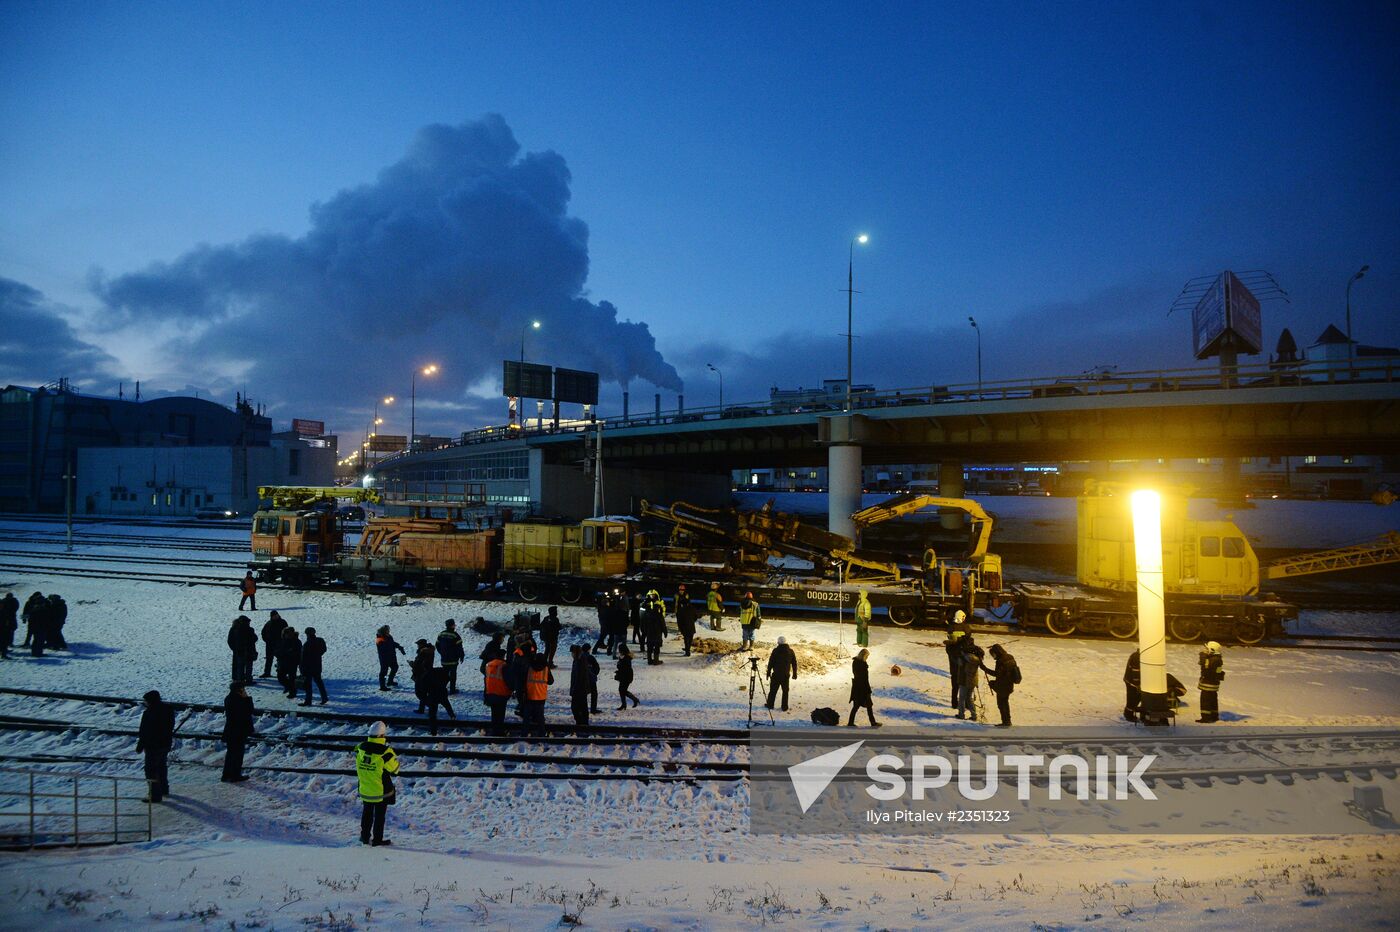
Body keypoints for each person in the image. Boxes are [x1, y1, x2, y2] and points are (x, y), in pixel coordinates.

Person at [355, 721, 399, 847]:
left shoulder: (360, 748)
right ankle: (377, 840)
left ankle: (364, 837)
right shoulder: (385, 752)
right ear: (382, 736)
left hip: (365, 789)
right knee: (379, 817)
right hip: (380, 792)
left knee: (366, 813)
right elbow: (395, 770)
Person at [136, 690, 176, 802]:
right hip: (165, 743)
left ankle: (155, 795)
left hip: (152, 746)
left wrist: (140, 746)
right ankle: (164, 789)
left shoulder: (149, 713)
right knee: (162, 766)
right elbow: (170, 725)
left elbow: (144, 732)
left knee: (151, 770)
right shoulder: (168, 709)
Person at [979, 644, 1020, 727]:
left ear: (997, 652)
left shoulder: (1001, 661)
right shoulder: (1010, 657)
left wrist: (985, 668)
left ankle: (1006, 722)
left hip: (1002, 686)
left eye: (993, 654)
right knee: (1005, 703)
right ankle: (1007, 721)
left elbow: (997, 674)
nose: (993, 656)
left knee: (1001, 704)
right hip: (1009, 684)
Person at [221, 682, 255, 782]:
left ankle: (226, 774)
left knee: (231, 754)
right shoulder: (240, 700)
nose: (245, 690)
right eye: (243, 689)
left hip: (231, 731)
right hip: (238, 731)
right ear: (239, 690)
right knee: (237, 754)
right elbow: (249, 711)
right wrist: (247, 698)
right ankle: (235, 775)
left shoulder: (229, 698)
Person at [847, 649, 880, 727]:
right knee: (868, 706)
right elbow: (864, 678)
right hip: (862, 688)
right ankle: (873, 723)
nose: (867, 658)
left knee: (856, 706)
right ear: (863, 655)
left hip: (857, 687)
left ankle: (850, 723)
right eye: (867, 656)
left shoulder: (856, 662)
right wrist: (868, 689)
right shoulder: (862, 664)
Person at [765, 636, 798, 712]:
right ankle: (784, 706)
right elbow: (794, 663)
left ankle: (770, 704)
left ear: (778, 642)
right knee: (785, 691)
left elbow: (771, 662)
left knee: (773, 690)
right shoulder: (790, 651)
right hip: (785, 675)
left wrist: (768, 672)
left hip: (776, 674)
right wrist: (794, 673)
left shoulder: (775, 651)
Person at [955, 635, 985, 721]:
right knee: (969, 698)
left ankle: (961, 714)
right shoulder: (977, 657)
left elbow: (959, 664)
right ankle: (974, 715)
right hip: (973, 681)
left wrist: (960, 656)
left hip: (964, 680)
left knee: (961, 698)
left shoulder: (964, 656)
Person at [482, 651, 512, 735]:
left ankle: (494, 730)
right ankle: (499, 732)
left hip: (490, 692)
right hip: (501, 693)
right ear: (503, 656)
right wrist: (511, 690)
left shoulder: (488, 665)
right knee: (500, 715)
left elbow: (486, 679)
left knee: (494, 714)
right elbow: (508, 681)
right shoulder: (504, 665)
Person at [522, 653, 553, 732]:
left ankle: (524, 734)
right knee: (540, 718)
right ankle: (541, 734)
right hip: (541, 697)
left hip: (530, 695)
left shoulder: (529, 667)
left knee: (527, 717)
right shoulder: (546, 669)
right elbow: (551, 681)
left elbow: (523, 680)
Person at [1196, 641, 1225, 723]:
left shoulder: (1213, 660)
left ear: (1212, 650)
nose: (1205, 650)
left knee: (1205, 701)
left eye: (1207, 649)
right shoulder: (1217, 659)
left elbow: (1204, 666)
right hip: (1213, 684)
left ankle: (1206, 717)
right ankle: (1214, 716)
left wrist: (1203, 655)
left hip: (1208, 684)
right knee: (1212, 700)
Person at [425, 665, 457, 736]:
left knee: (432, 714)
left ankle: (433, 732)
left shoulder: (426, 675)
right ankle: (452, 716)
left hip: (432, 695)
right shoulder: (442, 672)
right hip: (442, 692)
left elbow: (422, 689)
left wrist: (426, 698)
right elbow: (448, 678)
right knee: (447, 704)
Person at [300, 626, 328, 705]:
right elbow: (324, 649)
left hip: (308, 667)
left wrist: (302, 668)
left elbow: (303, 658)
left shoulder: (307, 644)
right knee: (319, 682)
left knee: (308, 685)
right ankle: (324, 697)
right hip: (317, 665)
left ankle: (308, 701)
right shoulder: (320, 640)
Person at [568, 644, 594, 727]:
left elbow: (580, 677)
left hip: (579, 689)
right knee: (582, 707)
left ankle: (581, 722)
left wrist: (574, 689)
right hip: (579, 689)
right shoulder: (577, 660)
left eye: (572, 652)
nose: (571, 654)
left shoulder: (580, 661)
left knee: (576, 707)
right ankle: (582, 723)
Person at [435, 619, 464, 694]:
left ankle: (442, 688)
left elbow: (437, 645)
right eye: (454, 624)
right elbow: (459, 647)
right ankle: (452, 689)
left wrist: (442, 653)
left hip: (444, 659)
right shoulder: (455, 635)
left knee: (444, 675)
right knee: (453, 675)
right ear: (452, 625)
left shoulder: (441, 634)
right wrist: (461, 656)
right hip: (453, 660)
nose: (455, 626)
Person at [227, 615, 258, 685]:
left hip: (241, 651)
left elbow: (230, 641)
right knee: (247, 666)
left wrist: (235, 649)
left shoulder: (234, 629)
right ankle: (247, 680)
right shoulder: (248, 629)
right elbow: (255, 638)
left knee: (241, 666)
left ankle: (241, 680)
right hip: (247, 650)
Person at [277, 626, 302, 699]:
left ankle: (292, 692)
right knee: (280, 677)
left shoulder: (296, 641)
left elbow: (298, 652)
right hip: (282, 662)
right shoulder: (282, 640)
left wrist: (289, 653)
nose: (286, 635)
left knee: (292, 679)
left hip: (292, 663)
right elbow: (277, 649)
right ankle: (288, 687)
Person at [411, 639, 435, 714]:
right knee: (423, 692)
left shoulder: (423, 653)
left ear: (421, 645)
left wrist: (412, 664)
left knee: (419, 693)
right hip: (428, 674)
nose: (417, 646)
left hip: (421, 675)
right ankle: (422, 709)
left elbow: (418, 664)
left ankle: (430, 706)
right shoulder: (430, 651)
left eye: (418, 644)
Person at [376, 625, 404, 691]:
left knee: (395, 667)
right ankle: (382, 686)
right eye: (387, 630)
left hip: (392, 656)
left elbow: (392, 643)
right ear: (384, 631)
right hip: (384, 658)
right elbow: (384, 648)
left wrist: (399, 646)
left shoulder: (388, 636)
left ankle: (390, 681)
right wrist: (390, 646)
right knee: (383, 672)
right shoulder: (380, 639)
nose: (389, 631)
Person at [641, 590, 666, 664]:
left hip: (653, 629)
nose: (652, 596)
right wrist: (664, 630)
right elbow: (642, 616)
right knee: (654, 644)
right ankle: (654, 660)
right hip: (654, 630)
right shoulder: (645, 604)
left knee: (652, 644)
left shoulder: (658, 603)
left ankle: (653, 660)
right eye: (651, 595)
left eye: (653, 595)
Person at [260, 612, 286, 678]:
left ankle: (281, 673)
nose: (275, 617)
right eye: (274, 616)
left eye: (276, 615)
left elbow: (286, 632)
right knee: (269, 659)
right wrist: (266, 640)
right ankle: (267, 672)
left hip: (279, 644)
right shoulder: (269, 623)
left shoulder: (282, 622)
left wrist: (282, 641)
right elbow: (263, 632)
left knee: (280, 659)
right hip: (269, 644)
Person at [615, 644, 639, 710]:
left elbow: (624, 667)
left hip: (626, 676)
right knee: (622, 690)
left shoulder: (626, 658)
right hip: (624, 675)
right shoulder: (623, 657)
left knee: (622, 690)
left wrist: (619, 669)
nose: (618, 650)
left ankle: (632, 701)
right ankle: (625, 704)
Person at [674, 585, 697, 656]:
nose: (681, 591)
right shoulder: (691, 608)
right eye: (681, 589)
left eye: (682, 590)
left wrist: (681, 627)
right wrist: (692, 621)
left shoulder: (681, 610)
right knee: (689, 638)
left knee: (686, 638)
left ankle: (687, 651)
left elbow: (680, 620)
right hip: (691, 626)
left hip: (685, 626)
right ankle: (687, 649)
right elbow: (695, 616)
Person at [581, 641, 601, 713]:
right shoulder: (590, 657)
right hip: (591, 679)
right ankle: (593, 709)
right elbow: (597, 667)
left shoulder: (580, 657)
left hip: (583, 679)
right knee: (594, 694)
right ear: (589, 649)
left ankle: (583, 709)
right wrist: (594, 674)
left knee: (583, 695)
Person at [1123, 649, 1141, 722]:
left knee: (1135, 698)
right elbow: (1135, 672)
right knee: (1132, 699)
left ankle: (1129, 713)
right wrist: (1137, 684)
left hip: (1131, 680)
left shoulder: (1137, 655)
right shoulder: (1137, 657)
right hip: (1131, 682)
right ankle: (1128, 715)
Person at [0, 591, 18, 659]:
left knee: (5, 640)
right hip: (4, 628)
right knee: (4, 640)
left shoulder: (5, 612)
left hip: (5, 628)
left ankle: (4, 652)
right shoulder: (5, 612)